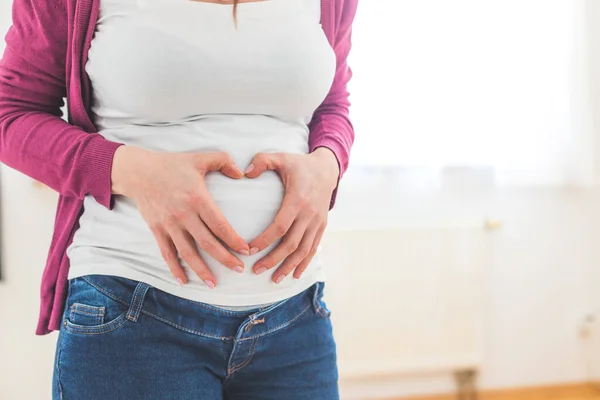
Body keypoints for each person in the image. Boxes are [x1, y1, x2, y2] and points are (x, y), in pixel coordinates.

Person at [0, 0, 357, 398]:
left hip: (296, 319)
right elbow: (10, 114)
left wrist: (329, 164)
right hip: (133, 313)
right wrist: (133, 170)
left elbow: (332, 102)